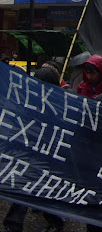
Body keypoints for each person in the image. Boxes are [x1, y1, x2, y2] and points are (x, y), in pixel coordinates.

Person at [2, 67, 66, 232]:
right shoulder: (30, 100)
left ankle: (53, 219)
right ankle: (15, 223)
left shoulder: (60, 104)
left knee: (38, 187)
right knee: (28, 187)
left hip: (45, 153)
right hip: (33, 152)